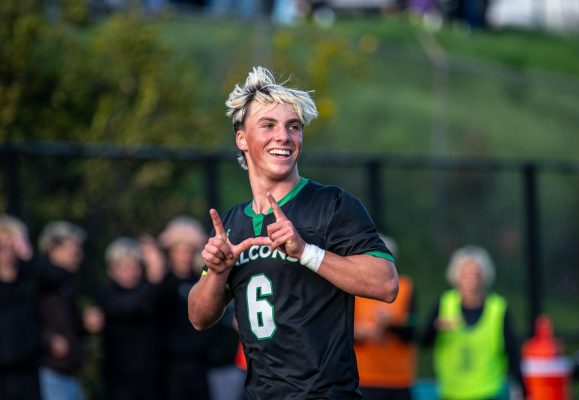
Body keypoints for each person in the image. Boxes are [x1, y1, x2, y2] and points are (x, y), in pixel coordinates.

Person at [188, 66, 399, 399]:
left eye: (294, 127)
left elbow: (386, 283)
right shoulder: (232, 223)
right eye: (268, 125)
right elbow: (199, 317)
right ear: (241, 138)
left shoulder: (332, 204)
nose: (283, 137)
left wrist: (306, 252)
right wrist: (216, 272)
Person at [422, 245, 526, 400]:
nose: (471, 278)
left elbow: (512, 352)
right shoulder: (444, 303)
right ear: (456, 275)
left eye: (475, 273)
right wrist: (436, 327)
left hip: (488, 393)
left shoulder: (498, 308)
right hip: (452, 394)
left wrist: (523, 389)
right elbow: (424, 341)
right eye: (465, 273)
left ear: (484, 276)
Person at [158, 216, 240, 400]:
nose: (184, 255)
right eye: (179, 250)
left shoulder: (203, 280)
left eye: (189, 250)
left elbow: (221, 309)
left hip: (206, 365)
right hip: (171, 367)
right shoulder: (162, 285)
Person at [94, 236, 165, 400]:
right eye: (122, 267)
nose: (129, 272)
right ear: (110, 270)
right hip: (117, 378)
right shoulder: (106, 294)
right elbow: (129, 306)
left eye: (133, 266)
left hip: (149, 377)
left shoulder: (149, 291)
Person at [354, 234, 417, 400]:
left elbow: (412, 332)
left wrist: (390, 325)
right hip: (364, 378)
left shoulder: (405, 287)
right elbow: (339, 331)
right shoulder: (354, 286)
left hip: (398, 379)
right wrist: (362, 333)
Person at [37, 221, 90, 400]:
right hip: (50, 371)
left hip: (69, 372)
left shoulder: (66, 283)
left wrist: (85, 324)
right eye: (73, 249)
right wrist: (47, 340)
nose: (78, 255)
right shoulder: (40, 280)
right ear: (54, 248)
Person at [0, 214, 41, 400]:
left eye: (11, 245)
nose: (6, 252)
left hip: (27, 370)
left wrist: (26, 252)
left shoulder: (30, 279)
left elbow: (56, 274)